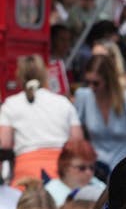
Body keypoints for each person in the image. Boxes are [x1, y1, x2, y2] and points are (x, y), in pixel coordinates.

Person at [0, 55, 82, 185]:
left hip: (26, 173)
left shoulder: (10, 104)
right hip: (61, 171)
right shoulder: (63, 102)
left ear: (19, 76)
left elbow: (4, 144)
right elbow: (78, 140)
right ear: (45, 75)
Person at [75, 54, 126, 178]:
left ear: (108, 80)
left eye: (96, 83)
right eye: (88, 82)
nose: (91, 87)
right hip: (97, 169)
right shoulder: (83, 96)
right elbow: (77, 133)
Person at [44, 138, 106, 207]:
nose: (89, 172)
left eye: (92, 168)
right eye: (82, 168)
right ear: (65, 167)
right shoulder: (49, 192)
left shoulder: (99, 185)